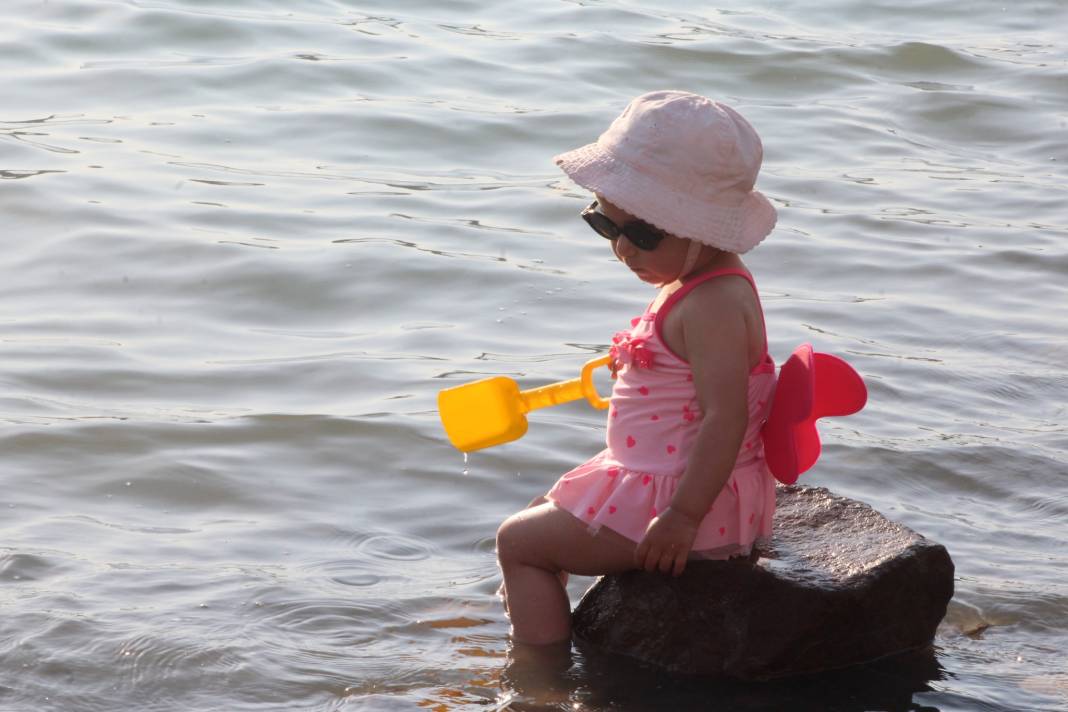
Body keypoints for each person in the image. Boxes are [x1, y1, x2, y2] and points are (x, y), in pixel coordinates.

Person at [495, 90, 780, 646]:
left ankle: (540, 672)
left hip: (684, 502)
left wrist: (682, 517)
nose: (623, 249)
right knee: (541, 509)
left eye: (643, 234)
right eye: (606, 225)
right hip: (658, 475)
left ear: (705, 228)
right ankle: (545, 620)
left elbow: (726, 417)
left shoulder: (714, 303)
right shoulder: (694, 280)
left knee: (518, 544)